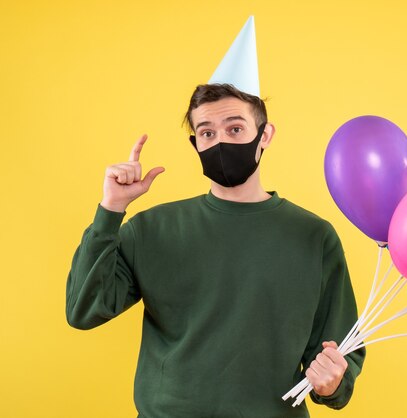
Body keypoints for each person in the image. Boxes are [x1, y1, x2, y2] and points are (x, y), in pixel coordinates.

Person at [66, 83, 365, 417]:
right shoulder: (152, 229)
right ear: (195, 144)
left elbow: (340, 351)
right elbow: (84, 309)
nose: (220, 141)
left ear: (264, 135)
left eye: (235, 129)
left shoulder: (313, 237)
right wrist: (111, 209)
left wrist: (333, 383)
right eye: (207, 133)